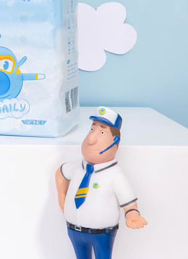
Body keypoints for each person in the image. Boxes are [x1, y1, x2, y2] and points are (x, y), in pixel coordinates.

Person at [55, 107, 148, 259]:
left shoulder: (115, 175)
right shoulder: (77, 167)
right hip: (73, 230)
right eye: (92, 129)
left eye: (102, 132)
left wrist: (132, 215)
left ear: (115, 141)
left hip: (102, 235)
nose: (91, 139)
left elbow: (129, 203)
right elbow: (60, 173)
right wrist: (62, 196)